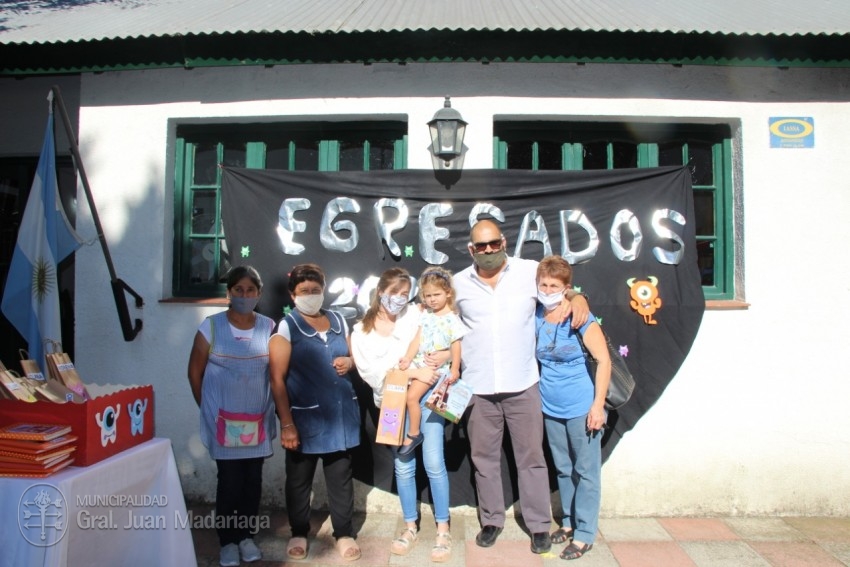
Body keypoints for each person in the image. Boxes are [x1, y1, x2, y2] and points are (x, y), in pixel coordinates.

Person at [453, 219, 589, 555]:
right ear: (471, 249)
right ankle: (492, 520)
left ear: (504, 242)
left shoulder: (529, 272)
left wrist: (577, 295)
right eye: (481, 246)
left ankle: (539, 525)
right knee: (483, 459)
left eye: (493, 244)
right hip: (478, 388)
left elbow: (559, 286)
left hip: (524, 384)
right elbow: (440, 321)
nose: (488, 251)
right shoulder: (458, 284)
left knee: (531, 459)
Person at [350, 268, 453, 563]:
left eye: (404, 294)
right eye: (393, 292)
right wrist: (411, 371)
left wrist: (444, 357)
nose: (398, 299)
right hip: (392, 404)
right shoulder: (361, 332)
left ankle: (443, 529)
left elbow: (443, 337)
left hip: (425, 399)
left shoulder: (417, 315)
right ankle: (410, 526)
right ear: (380, 291)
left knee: (434, 463)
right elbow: (370, 374)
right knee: (404, 465)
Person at [268, 263, 362, 562]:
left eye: (316, 290)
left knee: (341, 479)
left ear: (324, 290)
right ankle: (298, 531)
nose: (311, 295)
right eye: (304, 291)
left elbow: (352, 356)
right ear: (293, 295)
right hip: (304, 420)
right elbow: (277, 379)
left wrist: (350, 362)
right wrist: (286, 424)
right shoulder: (287, 326)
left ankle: (344, 533)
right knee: (298, 480)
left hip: (340, 418)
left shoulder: (338, 320)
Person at [187, 265, 275, 567]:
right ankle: (227, 541)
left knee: (252, 481)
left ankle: (246, 537)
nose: (244, 295)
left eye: (251, 290)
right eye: (238, 289)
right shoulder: (210, 327)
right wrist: (209, 410)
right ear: (229, 293)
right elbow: (194, 372)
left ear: (259, 294)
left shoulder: (269, 327)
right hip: (223, 424)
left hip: (257, 422)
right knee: (229, 482)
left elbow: (276, 373)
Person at [535, 255, 609, 560]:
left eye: (554, 285)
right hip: (550, 406)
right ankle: (567, 521)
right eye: (543, 284)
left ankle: (585, 533)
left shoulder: (579, 318)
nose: (548, 289)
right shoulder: (538, 315)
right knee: (563, 469)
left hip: (581, 406)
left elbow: (604, 360)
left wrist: (597, 406)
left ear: (566, 287)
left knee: (586, 470)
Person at [397, 267, 468, 456]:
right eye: (428, 296)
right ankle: (414, 432)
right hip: (421, 365)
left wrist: (455, 368)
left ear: (448, 293)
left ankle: (413, 434)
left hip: (435, 369)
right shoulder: (426, 315)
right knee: (411, 398)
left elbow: (456, 346)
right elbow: (416, 340)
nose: (432, 299)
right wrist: (407, 358)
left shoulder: (452, 319)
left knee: (411, 398)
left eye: (436, 294)